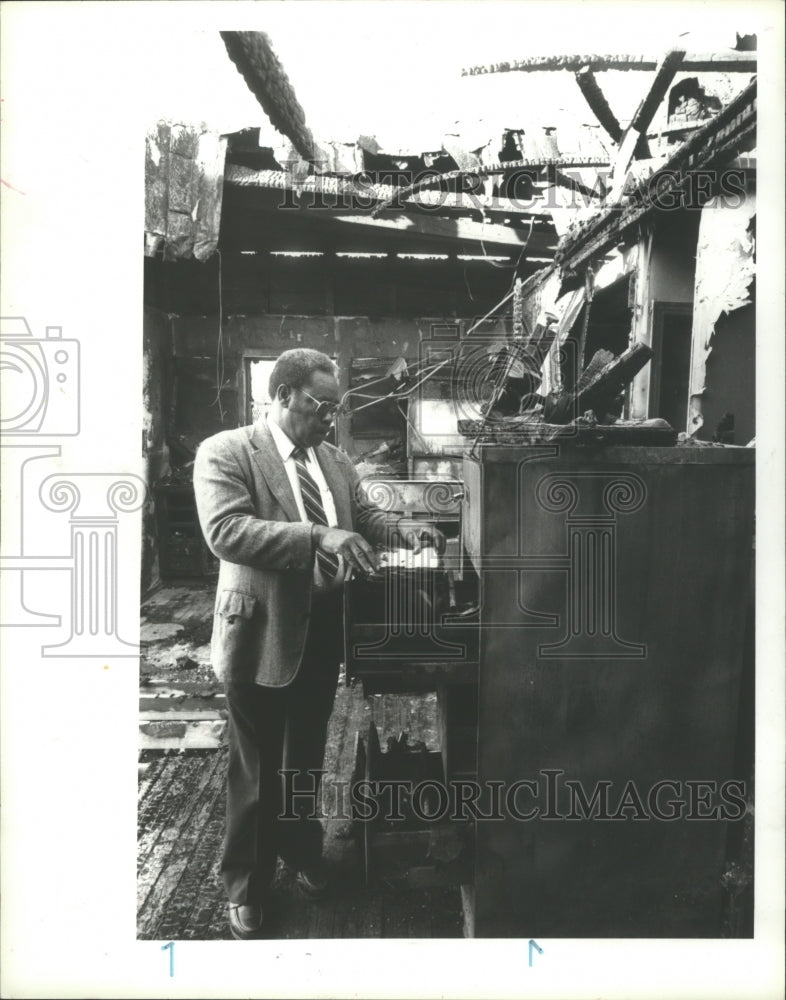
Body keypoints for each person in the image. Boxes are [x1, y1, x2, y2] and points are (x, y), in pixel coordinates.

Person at [193, 347, 442, 939]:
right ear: (281, 396)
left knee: (303, 758)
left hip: (322, 631)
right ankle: (247, 886)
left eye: (336, 408)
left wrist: (406, 526)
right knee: (255, 769)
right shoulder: (226, 452)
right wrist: (317, 536)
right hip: (259, 632)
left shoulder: (332, 458)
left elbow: (362, 518)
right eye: (319, 405)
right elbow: (226, 531)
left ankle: (301, 852)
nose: (329, 418)